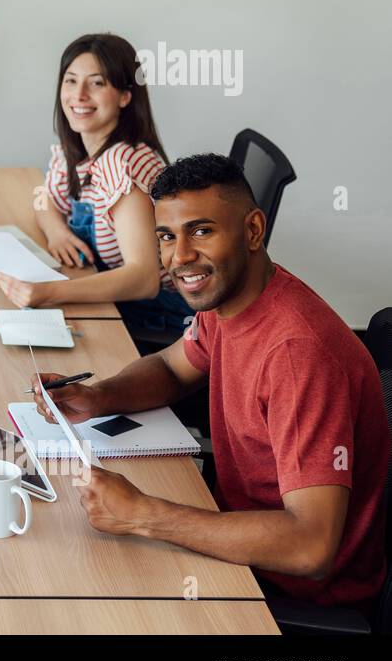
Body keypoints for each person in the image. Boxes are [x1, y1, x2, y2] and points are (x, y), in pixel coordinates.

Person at [33, 153, 388, 609]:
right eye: (166, 236)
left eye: (201, 231)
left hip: (285, 593)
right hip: (230, 533)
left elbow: (310, 546)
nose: (180, 257)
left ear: (253, 230)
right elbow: (169, 369)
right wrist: (98, 395)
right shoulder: (231, 300)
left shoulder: (298, 354)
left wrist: (145, 515)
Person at [0, 32, 194, 339]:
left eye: (97, 83)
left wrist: (47, 293)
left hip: (163, 317)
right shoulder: (79, 148)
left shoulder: (122, 164)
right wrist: (57, 232)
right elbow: (45, 200)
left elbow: (144, 278)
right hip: (119, 302)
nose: (79, 95)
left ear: (125, 95)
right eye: (71, 81)